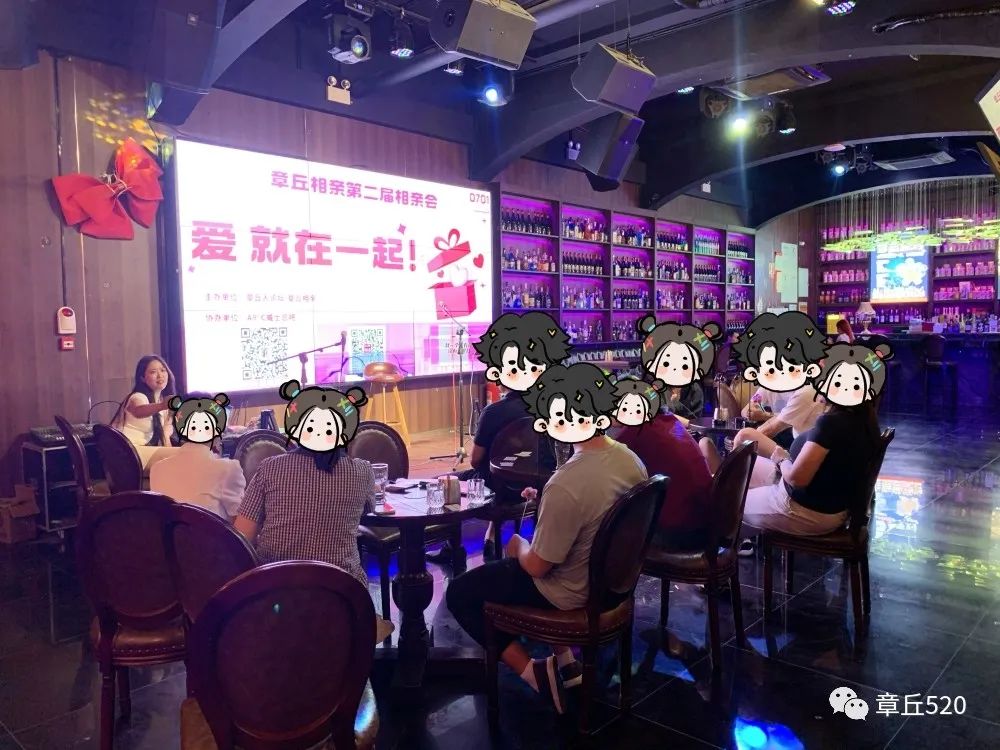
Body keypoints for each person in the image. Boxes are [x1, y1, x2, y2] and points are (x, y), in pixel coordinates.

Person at [446, 364, 646, 713]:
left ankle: (535, 673)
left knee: (460, 593)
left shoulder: (566, 482)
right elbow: (592, 510)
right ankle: (565, 661)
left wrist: (517, 546)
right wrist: (546, 502)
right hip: (614, 585)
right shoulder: (629, 460)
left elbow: (538, 567)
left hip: (568, 593)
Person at [430, 312, 571, 563]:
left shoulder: (493, 412)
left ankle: (453, 550)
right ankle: (491, 536)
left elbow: (476, 461)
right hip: (539, 487)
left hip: (497, 487)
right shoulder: (554, 408)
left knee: (447, 482)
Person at [610, 378, 712, 549]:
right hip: (705, 521)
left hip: (682, 532)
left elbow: (606, 469)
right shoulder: (668, 419)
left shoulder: (635, 431)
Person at [150, 392, 244, 519]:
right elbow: (241, 522)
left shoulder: (157, 469)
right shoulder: (228, 469)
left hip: (170, 532)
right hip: (211, 532)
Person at [111, 354, 177, 448]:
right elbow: (139, 411)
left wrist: (166, 434)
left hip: (144, 449)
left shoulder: (163, 403)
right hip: (127, 449)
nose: (160, 375)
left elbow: (165, 441)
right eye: (153, 372)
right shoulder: (138, 396)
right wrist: (162, 405)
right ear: (142, 378)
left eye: (163, 370)